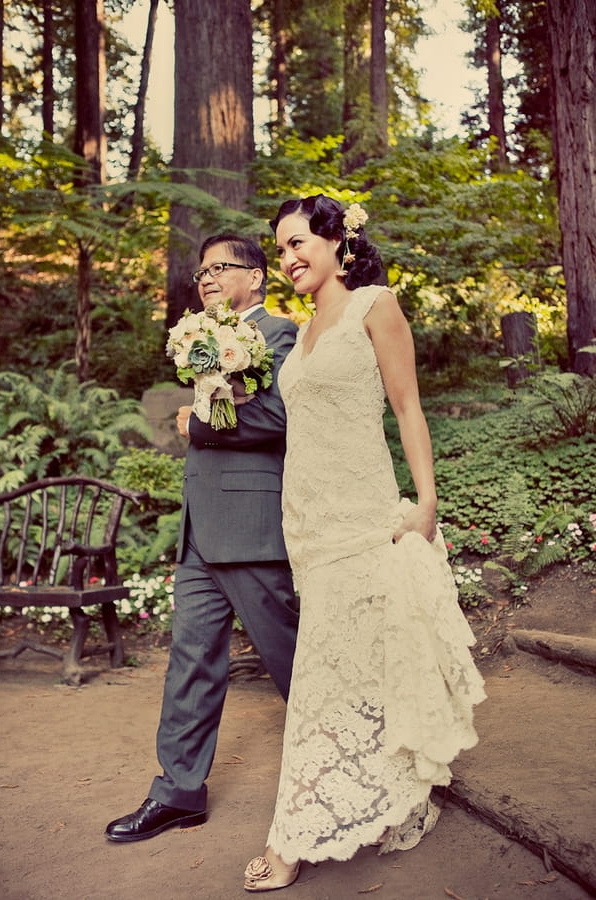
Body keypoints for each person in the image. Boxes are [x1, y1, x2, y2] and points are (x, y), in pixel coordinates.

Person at [242, 195, 486, 891]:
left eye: (297, 244)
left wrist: (428, 501)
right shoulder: (300, 327)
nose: (287, 259)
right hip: (310, 526)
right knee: (351, 663)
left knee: (325, 671)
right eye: (280, 250)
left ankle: (291, 838)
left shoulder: (374, 305)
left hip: (363, 516)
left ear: (334, 240)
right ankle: (385, 782)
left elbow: (407, 406)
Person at [105, 234, 299, 843]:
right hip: (199, 533)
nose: (208, 278)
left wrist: (200, 423)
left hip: (252, 528)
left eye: (222, 267)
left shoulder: (279, 335)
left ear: (257, 277)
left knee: (295, 661)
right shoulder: (201, 337)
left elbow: (280, 418)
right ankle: (179, 792)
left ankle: (364, 762)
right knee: (189, 662)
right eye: (202, 271)